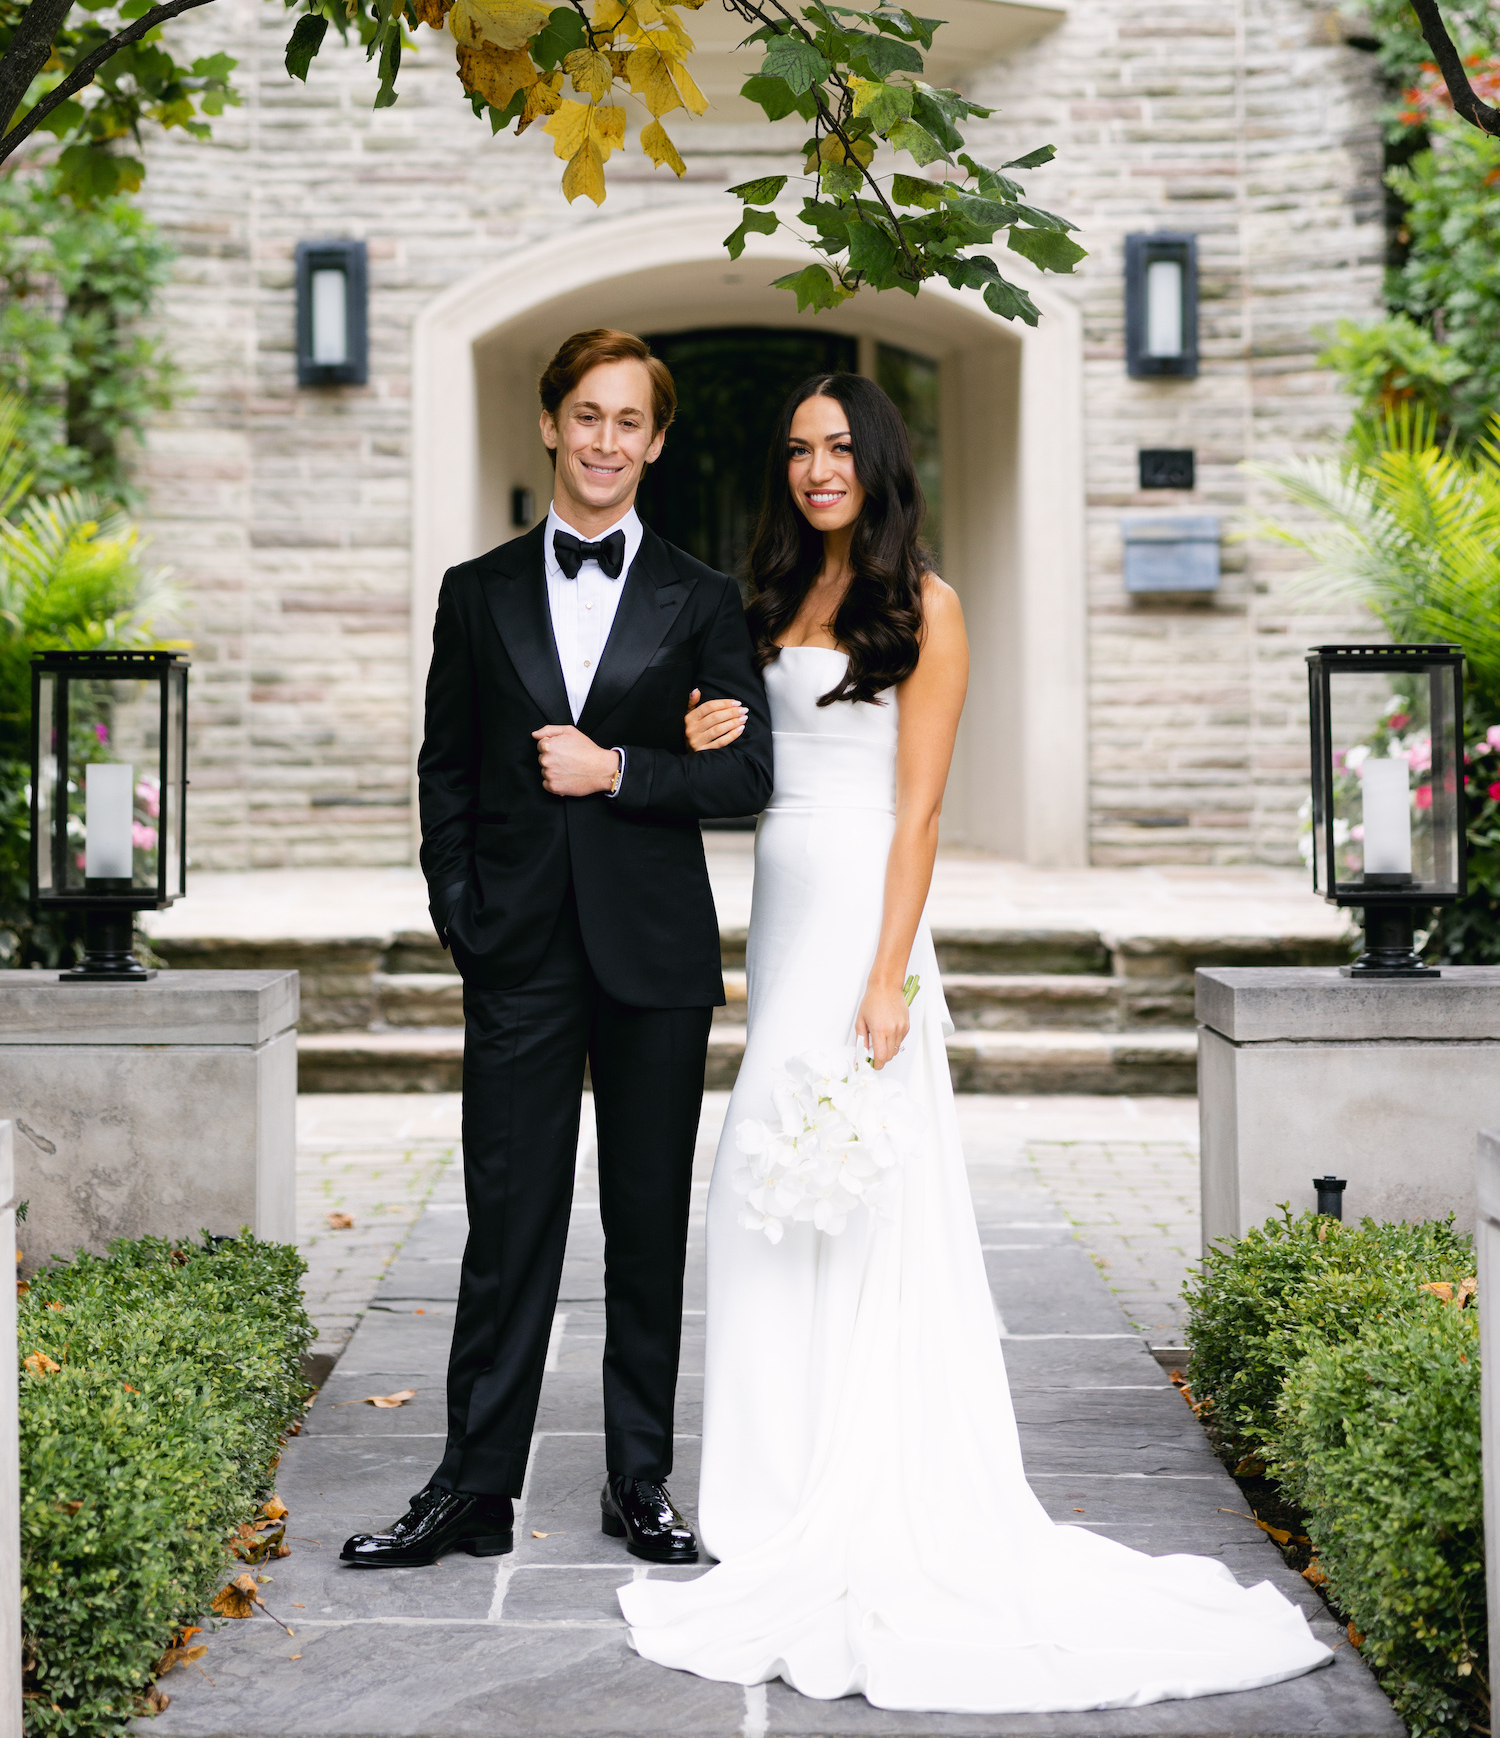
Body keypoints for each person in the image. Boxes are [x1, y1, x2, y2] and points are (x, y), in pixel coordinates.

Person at [618, 370, 1331, 1712]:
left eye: (835, 446)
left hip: (865, 923)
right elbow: (742, 759)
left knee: (858, 1195)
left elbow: (923, 813)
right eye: (796, 448)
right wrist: (703, 721)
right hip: (780, 907)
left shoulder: (925, 607)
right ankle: (767, 1496)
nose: (813, 467)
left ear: (880, 459)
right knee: (766, 1198)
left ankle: (863, 1486)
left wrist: (888, 978)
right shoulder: (770, 598)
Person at [341, 327, 774, 1572]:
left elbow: (747, 770)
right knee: (508, 1223)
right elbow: (445, 770)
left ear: (656, 439)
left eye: (629, 420)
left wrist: (625, 766)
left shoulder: (702, 597)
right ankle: (472, 1487)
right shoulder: (475, 592)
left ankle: (639, 1477)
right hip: (517, 952)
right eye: (586, 415)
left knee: (645, 1227)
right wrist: (465, 917)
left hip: (654, 957)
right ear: (549, 424)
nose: (604, 441)